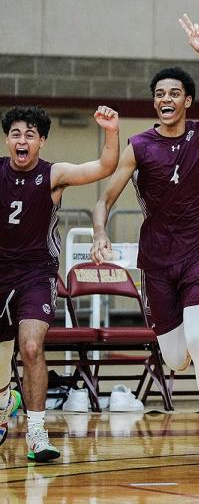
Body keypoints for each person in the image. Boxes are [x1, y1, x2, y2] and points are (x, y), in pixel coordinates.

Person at [91, 15, 199, 463]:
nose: (166, 99)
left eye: (174, 93)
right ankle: (197, 375)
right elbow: (105, 199)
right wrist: (100, 231)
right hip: (156, 259)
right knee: (176, 356)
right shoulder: (138, 146)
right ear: (154, 103)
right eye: (159, 94)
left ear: (187, 100)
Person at [0, 104, 120, 461]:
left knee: (32, 347)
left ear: (42, 141)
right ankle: (6, 399)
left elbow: (103, 167)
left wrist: (111, 132)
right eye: (16, 133)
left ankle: (37, 433)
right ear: (8, 139)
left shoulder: (54, 175)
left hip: (36, 272)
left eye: (30, 135)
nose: (22, 140)